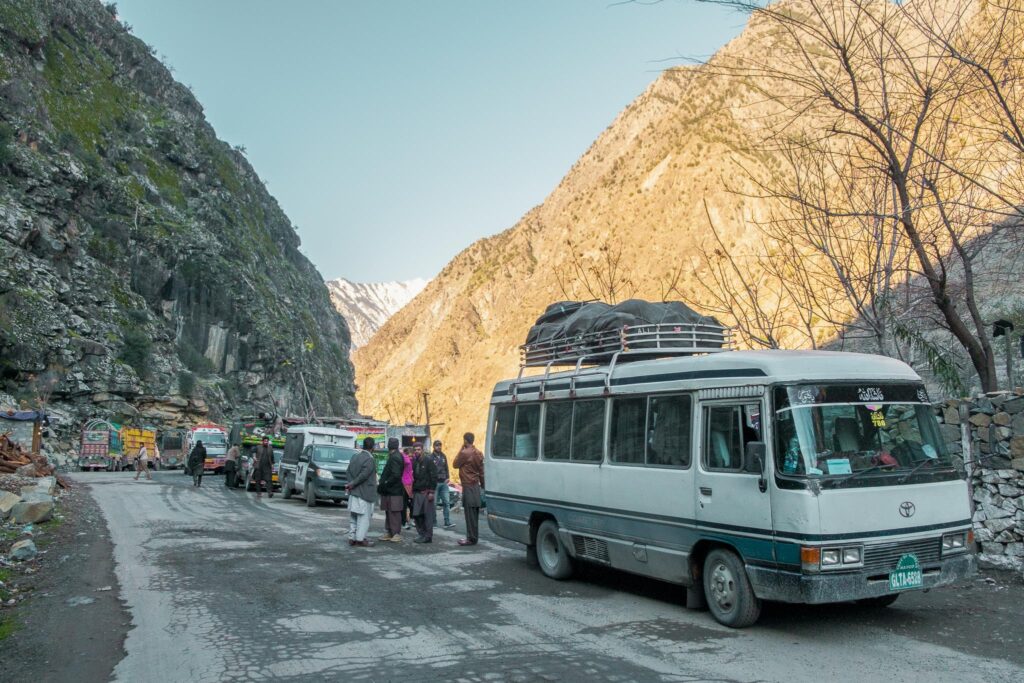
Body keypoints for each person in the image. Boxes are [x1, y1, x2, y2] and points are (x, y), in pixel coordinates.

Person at [453, 432, 484, 546]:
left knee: (469, 514)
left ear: (465, 440)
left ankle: (471, 539)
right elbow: (482, 473)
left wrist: (461, 448)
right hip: (476, 486)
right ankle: (474, 537)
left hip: (468, 485)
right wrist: (483, 486)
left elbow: (455, 464)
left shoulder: (465, 452)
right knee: (474, 514)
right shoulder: (479, 453)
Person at [346, 437, 378, 547]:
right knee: (364, 517)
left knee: (354, 516)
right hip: (365, 493)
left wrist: (351, 484)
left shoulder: (355, 456)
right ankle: (360, 538)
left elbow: (348, 471)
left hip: (354, 492)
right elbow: (364, 476)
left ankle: (352, 537)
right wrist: (353, 484)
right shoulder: (369, 459)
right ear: (373, 447)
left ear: (363, 446)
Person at [378, 438, 406, 542]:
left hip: (394, 490)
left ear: (389, 446)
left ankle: (396, 534)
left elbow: (396, 475)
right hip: (391, 490)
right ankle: (390, 533)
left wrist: (385, 483)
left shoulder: (395, 457)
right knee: (389, 512)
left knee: (394, 512)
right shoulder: (396, 456)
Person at [411, 443, 438, 543]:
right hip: (417, 492)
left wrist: (431, 491)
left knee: (427, 516)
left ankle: (428, 536)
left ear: (422, 450)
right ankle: (421, 534)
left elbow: (434, 476)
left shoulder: (428, 461)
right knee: (417, 515)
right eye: (415, 450)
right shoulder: (414, 461)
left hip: (426, 492)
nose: (417, 451)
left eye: (418, 449)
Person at [431, 440, 454, 528]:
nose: (439, 447)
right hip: (435, 483)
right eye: (437, 445)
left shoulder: (443, 456)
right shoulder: (430, 457)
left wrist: (448, 477)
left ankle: (447, 522)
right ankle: (434, 523)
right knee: (433, 504)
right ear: (434, 446)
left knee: (446, 503)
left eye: (440, 445)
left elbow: (446, 467)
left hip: (444, 483)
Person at [401, 447, 414, 530]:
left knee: (411, 503)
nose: (410, 458)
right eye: (409, 456)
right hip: (404, 484)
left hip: (410, 483)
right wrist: (404, 454)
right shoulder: (405, 459)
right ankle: (403, 522)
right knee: (404, 504)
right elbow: (405, 460)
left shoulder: (412, 460)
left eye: (411, 456)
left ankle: (410, 519)